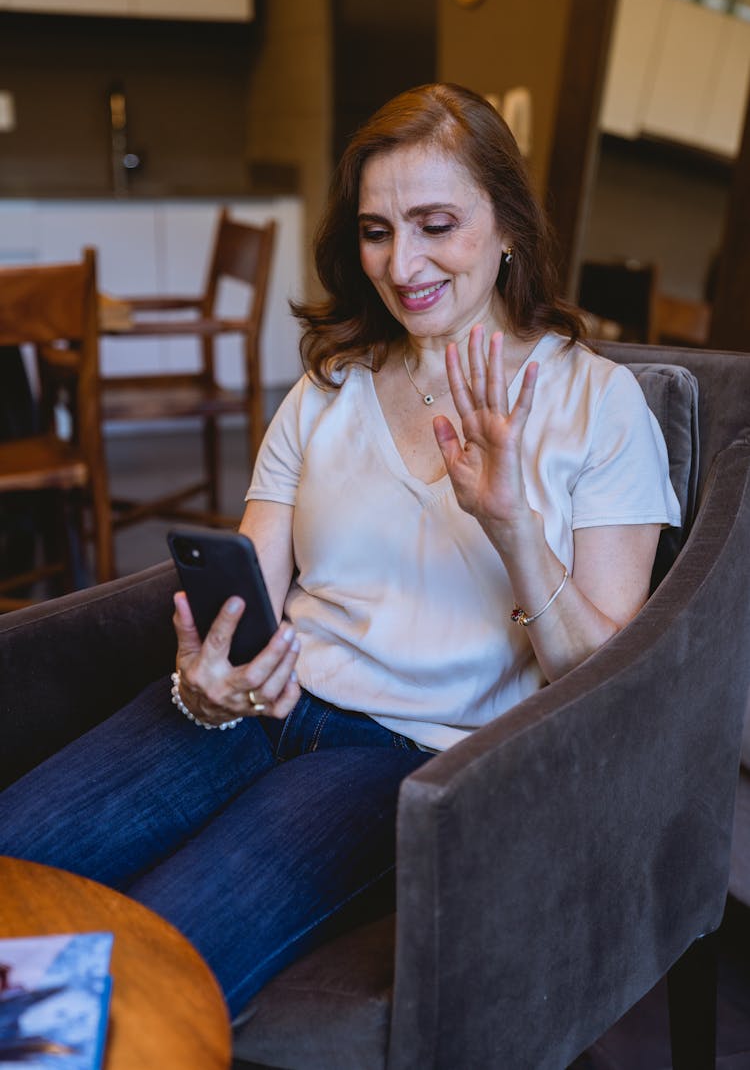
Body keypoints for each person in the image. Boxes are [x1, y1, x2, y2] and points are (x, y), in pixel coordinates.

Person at [0, 83, 680, 1018]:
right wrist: (206, 676)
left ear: (509, 226)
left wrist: (517, 529)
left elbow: (603, 683)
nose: (402, 265)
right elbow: (246, 595)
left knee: (129, 974)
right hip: (257, 706)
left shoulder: (599, 408)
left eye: (436, 223)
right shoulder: (326, 389)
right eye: (376, 231)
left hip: (399, 759)